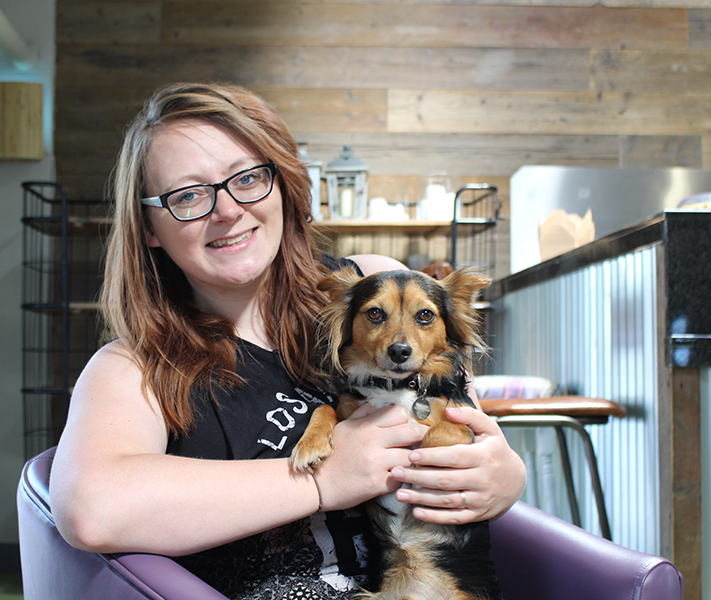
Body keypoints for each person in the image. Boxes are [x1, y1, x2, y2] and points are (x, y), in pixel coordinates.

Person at [50, 82, 526, 599]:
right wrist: (323, 481)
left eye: (248, 178)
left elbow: (464, 419)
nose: (227, 210)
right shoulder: (133, 366)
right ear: (148, 227)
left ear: (282, 183)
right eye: (188, 195)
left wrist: (506, 475)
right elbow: (91, 510)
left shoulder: (376, 288)